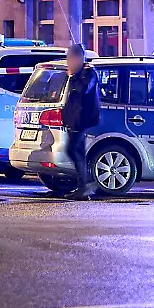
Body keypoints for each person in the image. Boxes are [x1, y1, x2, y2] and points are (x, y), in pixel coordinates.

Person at [62, 44, 100, 201]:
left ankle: (86, 185)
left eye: (71, 59)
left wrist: (73, 76)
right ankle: (84, 186)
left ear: (79, 58)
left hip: (83, 119)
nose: (69, 63)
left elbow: (83, 90)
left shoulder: (88, 73)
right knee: (78, 152)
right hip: (75, 120)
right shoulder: (78, 74)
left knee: (72, 150)